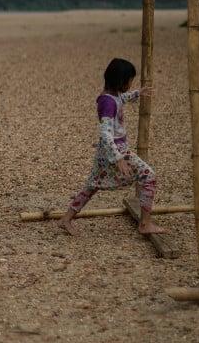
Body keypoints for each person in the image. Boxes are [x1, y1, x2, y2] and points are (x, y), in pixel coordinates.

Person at [60, 58, 164, 236]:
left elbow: (121, 99)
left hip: (106, 151)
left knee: (92, 185)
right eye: (129, 81)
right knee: (148, 176)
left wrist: (138, 93)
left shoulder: (112, 96)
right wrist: (118, 158)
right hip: (115, 150)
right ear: (120, 81)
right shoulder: (107, 103)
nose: (130, 84)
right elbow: (105, 133)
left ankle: (66, 219)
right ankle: (145, 224)